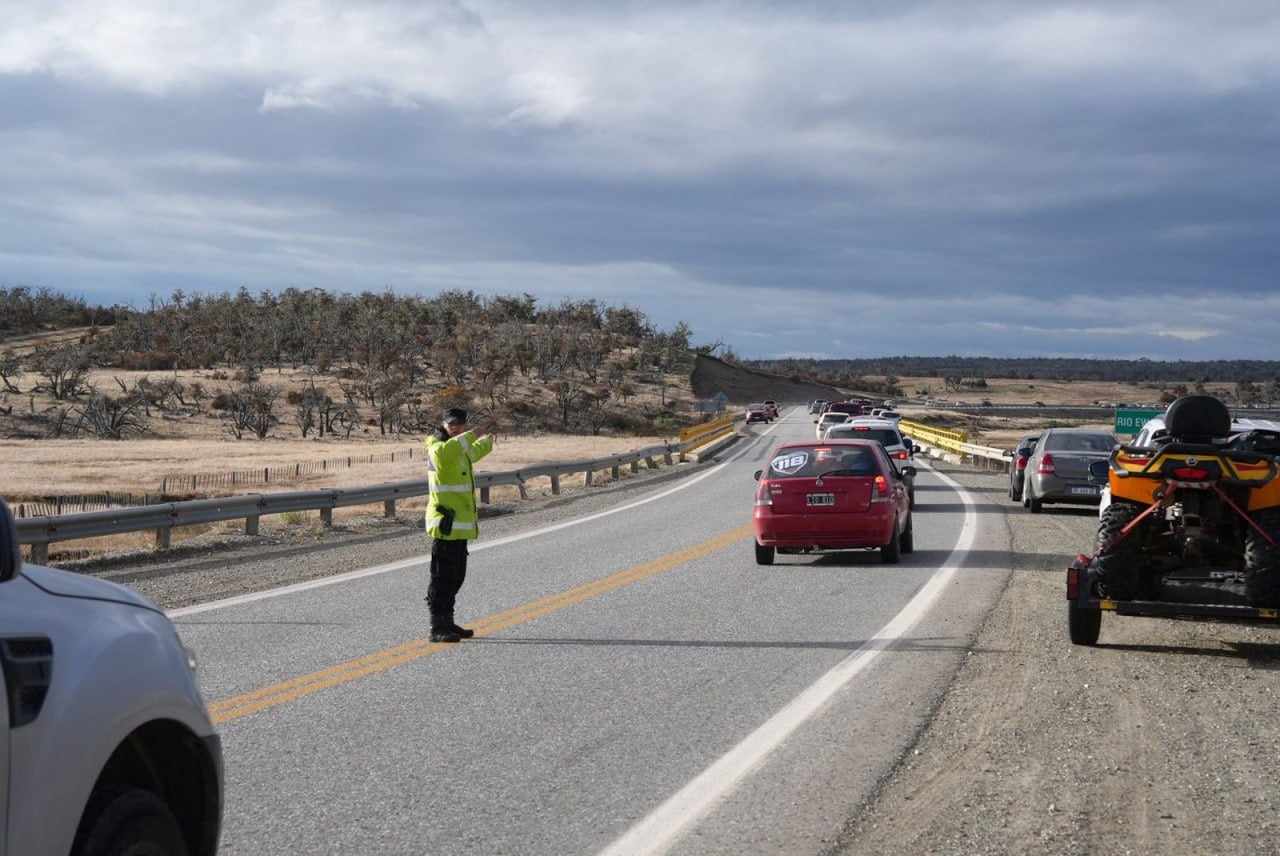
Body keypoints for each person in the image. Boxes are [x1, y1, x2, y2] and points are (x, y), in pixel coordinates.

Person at [423, 408, 494, 642]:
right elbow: (446, 455)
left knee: (456, 576)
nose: (456, 427)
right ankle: (437, 627)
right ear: (443, 423)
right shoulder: (437, 446)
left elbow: (472, 453)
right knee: (442, 578)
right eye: (451, 423)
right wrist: (474, 434)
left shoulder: (459, 446)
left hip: (460, 526)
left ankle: (449, 622)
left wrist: (489, 437)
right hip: (445, 524)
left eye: (460, 424)